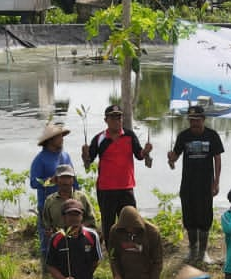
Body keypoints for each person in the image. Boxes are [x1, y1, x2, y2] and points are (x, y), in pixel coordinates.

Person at [81, 104, 151, 245]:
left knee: (130, 220)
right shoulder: (99, 139)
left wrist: (146, 151)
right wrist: (85, 155)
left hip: (126, 187)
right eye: (113, 118)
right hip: (106, 189)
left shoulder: (129, 135)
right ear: (106, 120)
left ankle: (131, 249)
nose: (117, 120)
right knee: (108, 222)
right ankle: (112, 251)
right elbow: (88, 164)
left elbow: (139, 155)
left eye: (119, 117)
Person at [166, 104, 224, 265]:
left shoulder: (212, 135)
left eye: (197, 120)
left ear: (203, 119)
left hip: (206, 184)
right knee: (189, 217)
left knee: (205, 218)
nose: (194, 123)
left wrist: (216, 182)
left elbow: (217, 159)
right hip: (188, 184)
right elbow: (174, 161)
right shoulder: (183, 136)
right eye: (191, 120)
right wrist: (170, 159)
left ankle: (203, 252)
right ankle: (192, 249)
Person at [29, 120, 72, 256]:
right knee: (48, 239)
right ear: (50, 140)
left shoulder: (65, 156)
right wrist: (49, 181)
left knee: (68, 237)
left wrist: (76, 196)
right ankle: (46, 271)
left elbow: (73, 178)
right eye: (59, 137)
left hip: (66, 204)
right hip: (47, 206)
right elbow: (33, 182)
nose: (62, 139)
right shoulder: (40, 159)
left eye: (62, 136)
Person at [40, 165, 97, 236]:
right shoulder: (50, 200)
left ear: (73, 180)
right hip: (59, 241)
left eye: (68, 177)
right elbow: (46, 224)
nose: (65, 181)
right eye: (62, 177)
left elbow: (91, 221)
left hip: (81, 239)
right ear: (56, 180)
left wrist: (78, 230)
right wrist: (51, 232)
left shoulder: (82, 197)